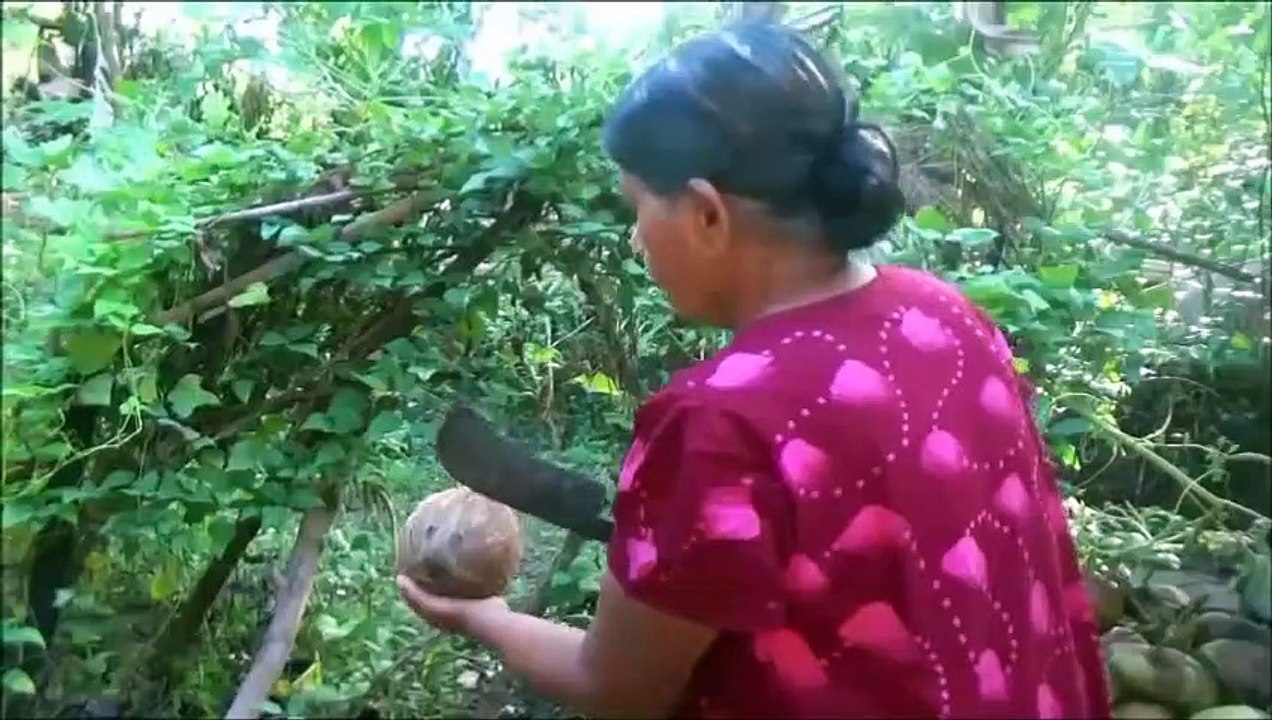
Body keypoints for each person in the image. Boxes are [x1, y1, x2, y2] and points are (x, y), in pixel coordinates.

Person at [397, 21, 1112, 720]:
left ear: (707, 214)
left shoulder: (720, 421)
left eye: (636, 206)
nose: (636, 234)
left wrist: (481, 618)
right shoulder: (945, 315)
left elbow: (617, 686)